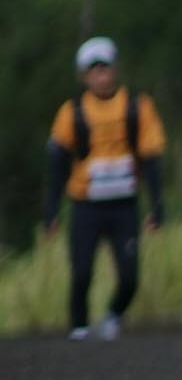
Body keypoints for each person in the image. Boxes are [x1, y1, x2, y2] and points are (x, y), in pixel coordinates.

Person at [42, 35, 167, 339]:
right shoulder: (72, 113)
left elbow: (151, 160)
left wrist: (157, 206)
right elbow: (58, 164)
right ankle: (79, 329)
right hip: (86, 204)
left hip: (124, 204)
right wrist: (52, 212)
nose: (101, 76)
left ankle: (112, 316)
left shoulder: (137, 107)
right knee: (82, 271)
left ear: (115, 69)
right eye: (93, 70)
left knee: (129, 276)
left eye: (105, 68)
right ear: (84, 76)